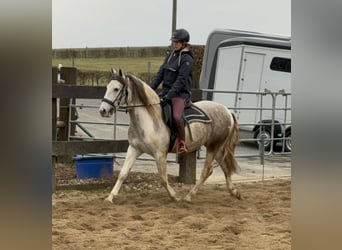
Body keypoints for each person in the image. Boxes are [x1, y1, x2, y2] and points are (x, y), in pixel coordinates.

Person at [150, 28, 194, 154]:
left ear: (184, 43)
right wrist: (150, 89)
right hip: (166, 93)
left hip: (180, 95)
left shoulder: (187, 59)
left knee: (176, 116)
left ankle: (182, 142)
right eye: (173, 42)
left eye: (177, 42)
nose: (174, 44)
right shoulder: (170, 55)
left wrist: (169, 96)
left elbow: (181, 80)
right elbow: (160, 74)